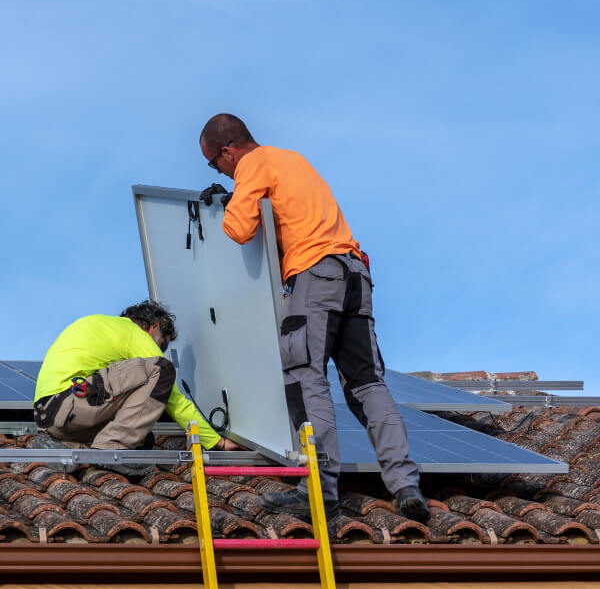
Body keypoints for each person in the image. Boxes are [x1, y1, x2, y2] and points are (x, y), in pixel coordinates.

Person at [197, 113, 429, 522]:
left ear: (228, 151)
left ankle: (318, 489)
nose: (220, 171)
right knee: (365, 382)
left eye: (215, 164)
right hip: (354, 272)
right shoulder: (293, 159)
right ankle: (405, 485)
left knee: (304, 374)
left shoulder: (253, 164)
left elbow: (239, 229)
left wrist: (227, 200)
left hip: (315, 273)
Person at [32, 300, 242, 474]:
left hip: (51, 414)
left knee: (142, 439)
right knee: (162, 370)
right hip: (72, 402)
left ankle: (66, 447)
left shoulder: (103, 330)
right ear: (154, 327)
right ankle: (110, 450)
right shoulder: (133, 332)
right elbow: (176, 402)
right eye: (163, 344)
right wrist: (216, 442)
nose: (160, 350)